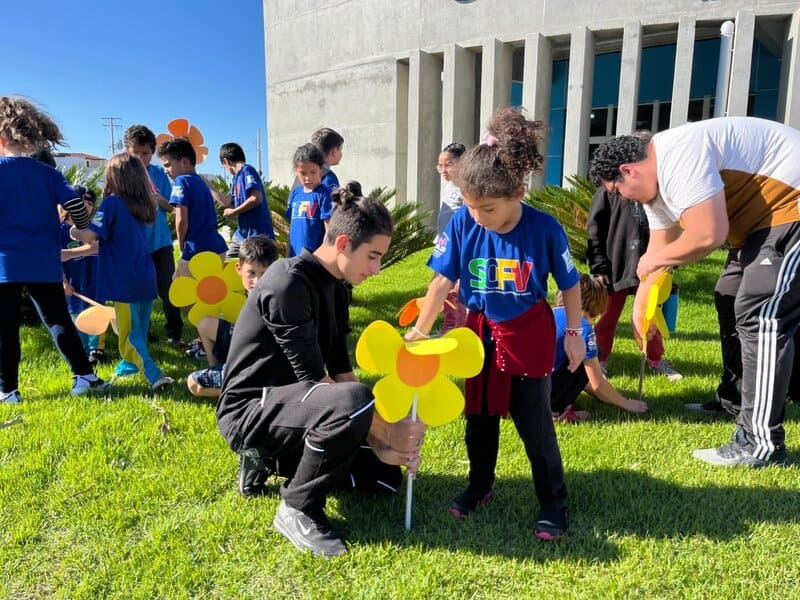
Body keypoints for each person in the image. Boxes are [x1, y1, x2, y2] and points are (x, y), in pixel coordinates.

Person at [216, 183, 426, 557]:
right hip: (250, 412)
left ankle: (269, 462)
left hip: (300, 407)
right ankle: (297, 506)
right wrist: (388, 432)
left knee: (385, 477)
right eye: (373, 257)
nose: (377, 269)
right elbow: (318, 382)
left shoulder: (335, 288)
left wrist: (380, 441)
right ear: (343, 244)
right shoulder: (286, 283)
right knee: (356, 402)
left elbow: (342, 373)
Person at [405, 107, 585, 541]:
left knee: (534, 423)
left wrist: (575, 334)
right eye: (470, 207)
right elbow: (442, 279)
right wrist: (420, 330)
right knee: (479, 418)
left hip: (528, 334)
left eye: (487, 208)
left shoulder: (545, 229)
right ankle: (479, 485)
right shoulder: (466, 221)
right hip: (478, 335)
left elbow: (571, 285)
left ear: (518, 192)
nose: (478, 217)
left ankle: (554, 501)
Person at [589, 116, 800, 468]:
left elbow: (707, 235)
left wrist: (654, 261)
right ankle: (733, 400)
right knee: (728, 295)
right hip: (758, 227)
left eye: (617, 191)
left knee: (760, 312)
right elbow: (657, 257)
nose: (621, 199)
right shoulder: (656, 192)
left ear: (628, 171)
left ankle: (760, 443)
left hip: (790, 208)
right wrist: (642, 315)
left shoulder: (676, 154)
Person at [0, 96, 109, 403]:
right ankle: (85, 376)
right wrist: (82, 222)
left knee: (5, 329)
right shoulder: (49, 174)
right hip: (44, 261)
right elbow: (75, 202)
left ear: (2, 137)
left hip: (5, 262)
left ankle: (8, 391)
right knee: (58, 320)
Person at [70, 154, 172, 392]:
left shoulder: (111, 204)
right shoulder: (145, 204)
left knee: (127, 337)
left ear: (113, 177)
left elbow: (90, 235)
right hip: (146, 277)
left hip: (123, 281)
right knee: (139, 330)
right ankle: (129, 367)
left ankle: (154, 376)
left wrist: (74, 232)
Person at [587, 182, 683, 381]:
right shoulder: (608, 190)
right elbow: (595, 229)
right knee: (607, 316)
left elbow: (671, 224)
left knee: (650, 316)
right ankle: (600, 361)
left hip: (651, 263)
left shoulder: (655, 185)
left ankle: (655, 359)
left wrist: (670, 258)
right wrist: (599, 267)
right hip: (616, 266)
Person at [187, 235, 277, 398]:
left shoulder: (275, 298)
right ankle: (217, 369)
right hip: (245, 346)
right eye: (251, 273)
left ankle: (252, 391)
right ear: (239, 269)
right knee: (205, 324)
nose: (257, 280)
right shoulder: (249, 292)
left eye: (264, 273)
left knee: (194, 383)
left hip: (261, 363)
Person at [550, 273, 649, 422]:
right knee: (594, 352)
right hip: (542, 399)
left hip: (518, 394)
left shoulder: (550, 314)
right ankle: (558, 412)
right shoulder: (582, 326)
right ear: (593, 306)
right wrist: (626, 403)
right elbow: (597, 384)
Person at [124, 125, 185, 347]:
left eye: (145, 153)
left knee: (168, 289)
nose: (140, 158)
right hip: (135, 244)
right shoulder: (122, 173)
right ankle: (142, 331)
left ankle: (175, 332)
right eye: (135, 153)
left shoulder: (159, 174)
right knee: (140, 290)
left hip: (160, 242)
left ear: (152, 152)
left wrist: (157, 199)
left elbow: (171, 207)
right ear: (127, 151)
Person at [157, 137, 227, 277]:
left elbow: (181, 219)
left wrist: (182, 244)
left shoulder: (181, 181)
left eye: (168, 165)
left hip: (197, 249)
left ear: (184, 162)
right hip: (218, 247)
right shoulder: (201, 181)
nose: (165, 170)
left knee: (179, 292)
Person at [60, 185, 106, 364]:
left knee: (97, 310)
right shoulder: (60, 229)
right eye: (82, 201)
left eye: (90, 203)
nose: (86, 206)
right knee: (77, 313)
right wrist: (63, 281)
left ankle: (97, 349)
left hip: (95, 279)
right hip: (74, 281)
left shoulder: (95, 229)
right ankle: (83, 348)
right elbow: (55, 258)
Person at [208, 142, 275, 259]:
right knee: (228, 264)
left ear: (226, 161)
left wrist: (234, 212)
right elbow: (227, 201)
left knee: (258, 270)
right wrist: (208, 185)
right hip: (242, 235)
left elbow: (256, 198)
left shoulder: (247, 170)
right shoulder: (235, 179)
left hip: (258, 236)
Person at [436, 142, 468, 333]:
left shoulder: (465, 189)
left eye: (448, 164)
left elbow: (468, 221)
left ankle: (459, 328)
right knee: (444, 290)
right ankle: (448, 326)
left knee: (457, 291)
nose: (443, 170)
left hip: (459, 249)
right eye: (440, 165)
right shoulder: (450, 186)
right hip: (445, 246)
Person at [285, 144, 333, 257]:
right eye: (303, 173)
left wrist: (323, 257)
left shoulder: (325, 194)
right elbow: (291, 229)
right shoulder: (295, 194)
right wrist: (288, 256)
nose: (308, 178)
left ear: (320, 169)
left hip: (314, 259)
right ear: (296, 171)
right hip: (294, 257)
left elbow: (329, 231)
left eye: (313, 172)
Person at [311, 127, 344, 191]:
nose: (341, 153)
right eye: (340, 149)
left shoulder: (302, 176)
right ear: (334, 151)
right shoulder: (328, 178)